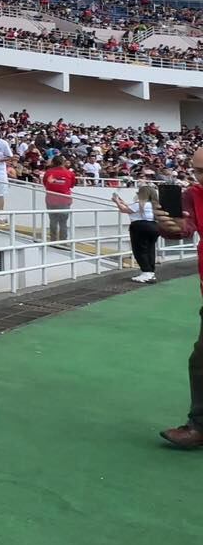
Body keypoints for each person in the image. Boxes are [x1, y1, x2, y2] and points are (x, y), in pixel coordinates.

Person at [154, 147, 202, 450]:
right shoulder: (193, 194)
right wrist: (169, 225)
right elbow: (184, 229)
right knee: (201, 359)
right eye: (198, 171)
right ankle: (199, 425)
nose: (201, 179)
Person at [111, 186, 160, 283]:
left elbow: (124, 210)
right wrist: (122, 202)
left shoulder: (139, 204)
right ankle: (150, 272)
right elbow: (130, 208)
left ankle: (146, 272)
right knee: (150, 249)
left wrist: (116, 201)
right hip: (154, 226)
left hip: (139, 227)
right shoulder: (154, 205)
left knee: (139, 250)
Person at [41, 156, 76, 244]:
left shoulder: (48, 172)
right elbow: (72, 185)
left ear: (53, 162)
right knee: (63, 222)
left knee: (53, 221)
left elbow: (45, 184)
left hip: (51, 199)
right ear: (63, 162)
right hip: (65, 200)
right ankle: (63, 242)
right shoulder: (69, 173)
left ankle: (53, 241)